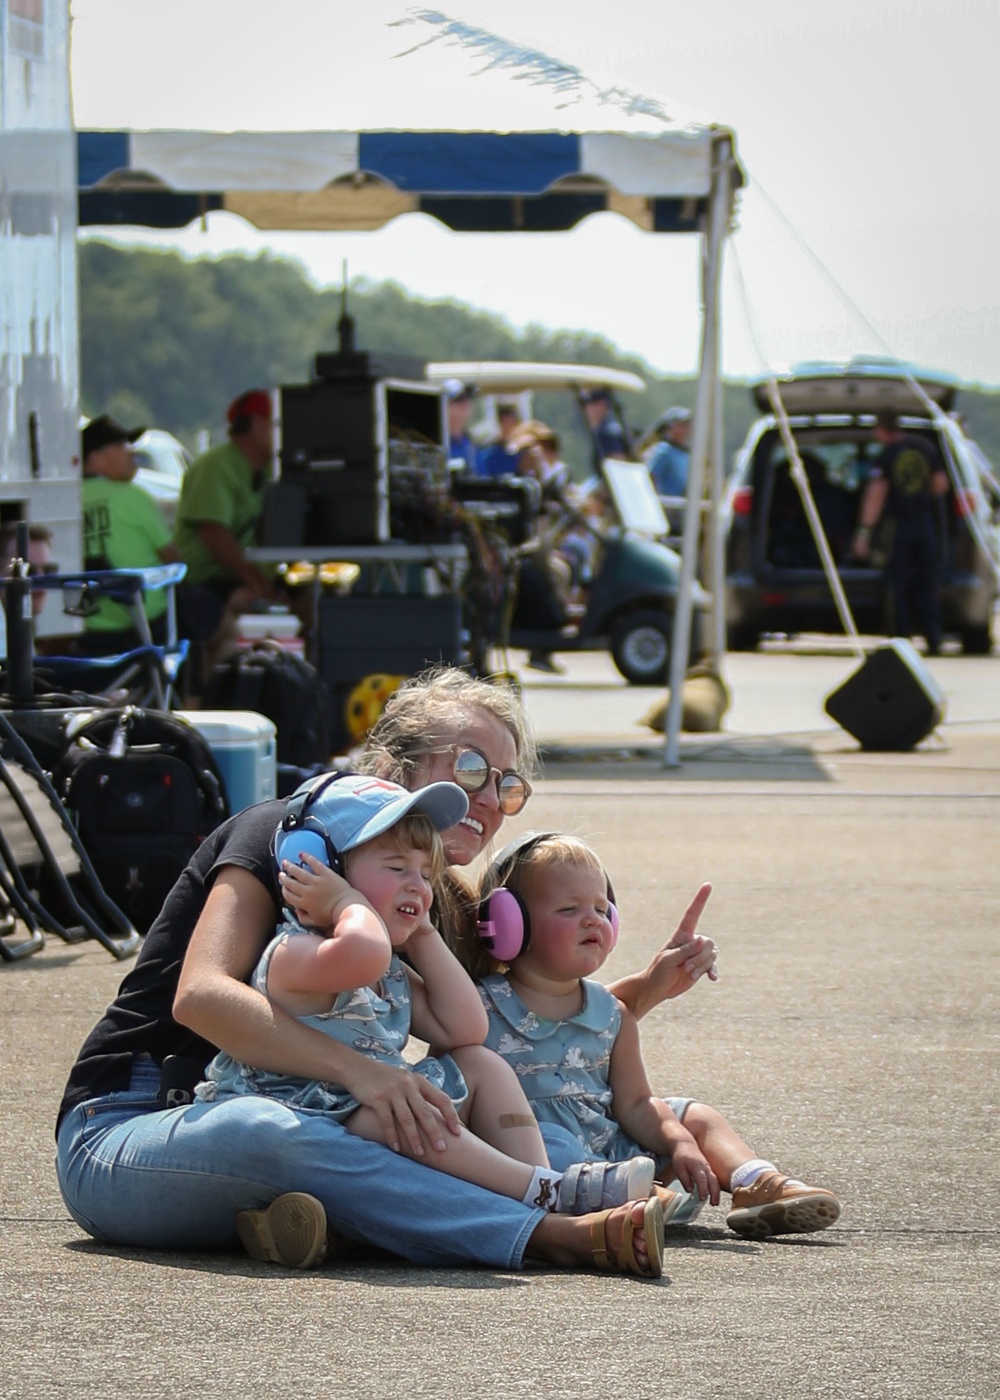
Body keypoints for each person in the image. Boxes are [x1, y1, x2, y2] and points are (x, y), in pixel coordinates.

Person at [56, 667, 707, 1275]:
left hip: (321, 1121)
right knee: (270, 1131)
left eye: (506, 785)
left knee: (487, 1099)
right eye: (471, 767)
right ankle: (545, 1234)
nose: (487, 798)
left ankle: (358, 1223)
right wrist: (365, 1075)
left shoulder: (424, 898)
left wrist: (643, 995)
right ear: (394, 765)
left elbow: (504, 1029)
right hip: (137, 1124)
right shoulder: (286, 842)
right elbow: (200, 997)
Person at [201, 772, 664, 1266]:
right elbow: (363, 951)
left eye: (426, 874)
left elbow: (465, 1029)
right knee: (398, 1111)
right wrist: (344, 903)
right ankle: (543, 1190)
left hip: (373, 1107)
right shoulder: (299, 951)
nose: (418, 885)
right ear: (314, 864)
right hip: (308, 1119)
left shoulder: (390, 968)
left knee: (479, 1064)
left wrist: (423, 934)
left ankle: (541, 1185)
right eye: (397, 866)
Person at [474, 832, 842, 1241]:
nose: (593, 919)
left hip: (613, 1151)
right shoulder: (478, 1008)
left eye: (601, 908)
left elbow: (635, 1103)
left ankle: (754, 1182)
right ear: (508, 923)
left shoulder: (613, 1013)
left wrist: (680, 1141)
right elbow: (461, 1094)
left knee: (692, 1114)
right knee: (553, 1141)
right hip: (540, 1164)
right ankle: (636, 1200)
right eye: (568, 908)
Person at [79, 414, 224, 654]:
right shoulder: (133, 496)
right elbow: (173, 560)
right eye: (121, 446)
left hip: (86, 623)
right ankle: (196, 691)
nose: (131, 452)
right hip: (143, 621)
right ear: (95, 457)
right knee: (222, 623)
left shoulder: (66, 500)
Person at [852, 413, 949, 655]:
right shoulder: (924, 448)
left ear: (881, 429)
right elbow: (941, 484)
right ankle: (934, 637)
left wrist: (864, 532)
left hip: (898, 525)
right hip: (924, 523)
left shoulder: (886, 456)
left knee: (897, 582)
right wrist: (920, 498)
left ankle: (901, 639)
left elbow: (877, 493)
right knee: (927, 581)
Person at [172, 389, 276, 614]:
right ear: (249, 425)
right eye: (273, 421)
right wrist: (256, 581)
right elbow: (214, 533)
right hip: (208, 579)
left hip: (250, 576)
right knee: (253, 604)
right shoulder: (216, 466)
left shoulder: (272, 470)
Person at [645, 407, 692, 531]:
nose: (685, 429)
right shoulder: (663, 450)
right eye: (681, 425)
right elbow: (651, 476)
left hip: (680, 508)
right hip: (666, 507)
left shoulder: (685, 453)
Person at [579, 387, 628, 472]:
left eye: (590, 405)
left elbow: (618, 466)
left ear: (601, 405)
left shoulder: (606, 433)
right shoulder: (613, 428)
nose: (586, 410)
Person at [475, 402, 521, 479]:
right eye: (505, 422)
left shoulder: (522, 452)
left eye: (511, 422)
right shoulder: (488, 454)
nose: (508, 427)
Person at [442, 378, 478, 474]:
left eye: (469, 398)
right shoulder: (438, 442)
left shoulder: (470, 442)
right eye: (459, 400)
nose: (465, 404)